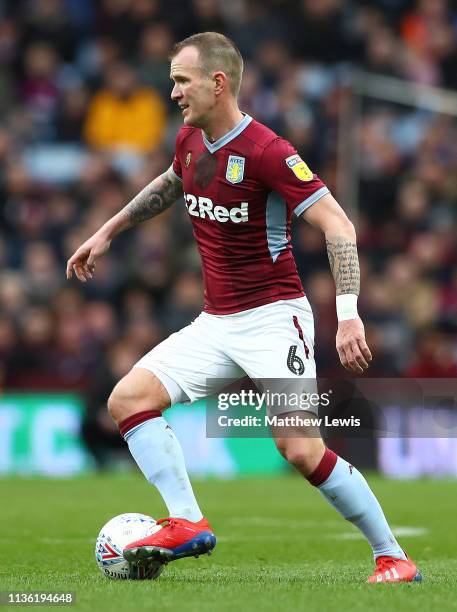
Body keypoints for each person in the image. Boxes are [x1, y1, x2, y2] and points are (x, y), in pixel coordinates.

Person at [67, 32, 422, 584]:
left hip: (275, 318)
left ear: (218, 82)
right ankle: (187, 522)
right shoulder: (188, 139)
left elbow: (338, 224)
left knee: (301, 451)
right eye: (171, 82)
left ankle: (393, 556)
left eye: (181, 81)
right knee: (128, 399)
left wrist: (348, 313)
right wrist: (110, 229)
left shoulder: (268, 151)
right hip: (216, 321)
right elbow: (171, 182)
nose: (174, 93)